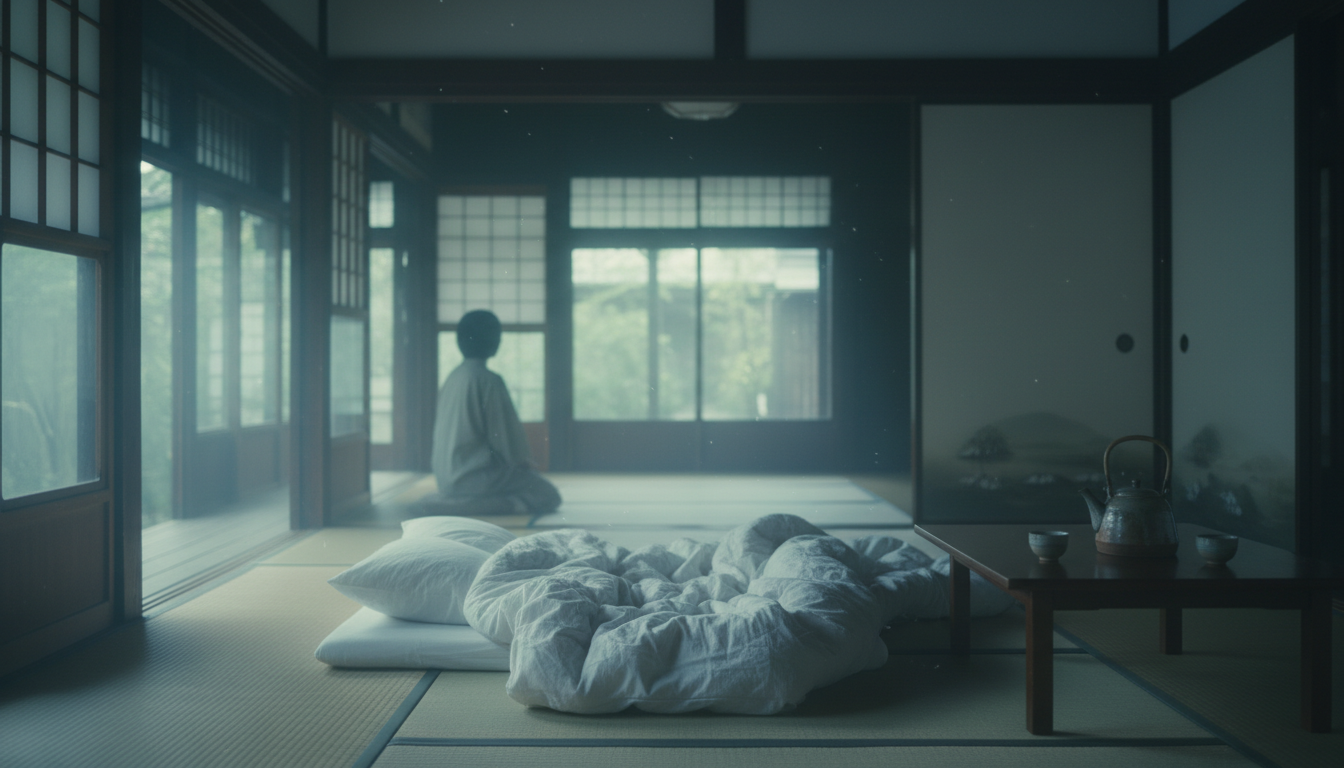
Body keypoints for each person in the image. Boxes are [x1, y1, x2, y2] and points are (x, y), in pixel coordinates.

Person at [425, 309, 561, 517]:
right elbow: (504, 436)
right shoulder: (487, 380)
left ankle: (450, 500)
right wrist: (522, 461)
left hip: (446, 477)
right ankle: (464, 507)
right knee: (547, 494)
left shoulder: (454, 377)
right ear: (490, 340)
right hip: (474, 476)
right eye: (497, 335)